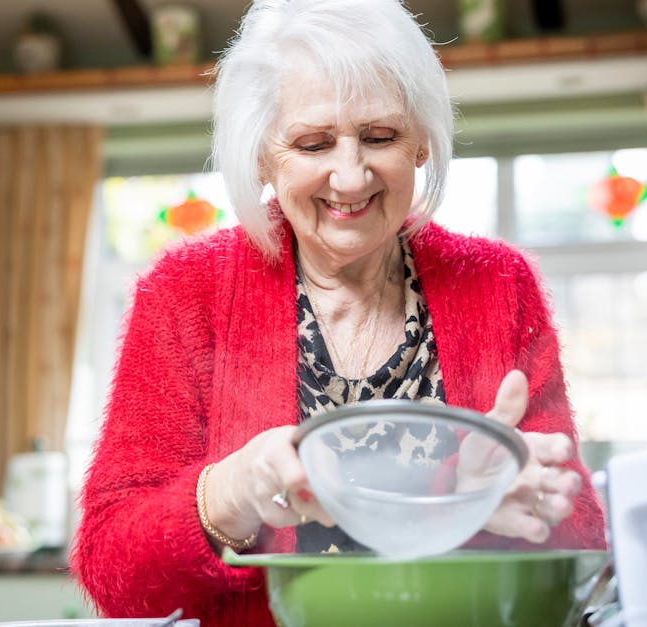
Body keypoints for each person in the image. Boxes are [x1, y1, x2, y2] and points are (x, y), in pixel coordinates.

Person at [71, 0, 607, 624]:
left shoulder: (498, 284)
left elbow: (582, 532)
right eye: (312, 143)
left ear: (422, 144)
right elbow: (112, 569)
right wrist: (233, 490)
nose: (350, 177)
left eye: (380, 137)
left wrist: (486, 502)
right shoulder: (186, 293)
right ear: (263, 157)